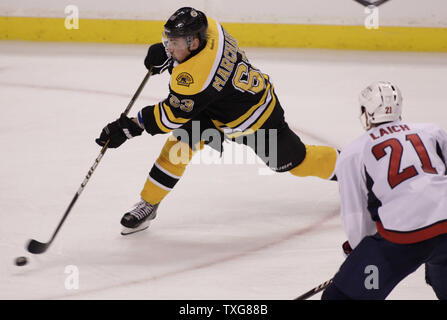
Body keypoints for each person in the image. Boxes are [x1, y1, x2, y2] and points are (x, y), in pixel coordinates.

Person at [95, 7, 338, 236]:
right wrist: (170, 54)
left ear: (194, 42)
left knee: (296, 162)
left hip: (256, 119)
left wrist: (131, 127)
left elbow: (171, 116)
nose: (169, 46)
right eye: (168, 39)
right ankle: (149, 203)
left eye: (174, 43)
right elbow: (191, 76)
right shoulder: (209, 26)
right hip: (216, 108)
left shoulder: (196, 75)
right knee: (178, 148)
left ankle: (351, 166)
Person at [321, 81, 447, 300]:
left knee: (340, 298)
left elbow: (356, 216)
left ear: (365, 112)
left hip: (402, 239)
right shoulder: (432, 132)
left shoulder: (353, 153)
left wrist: (358, 259)